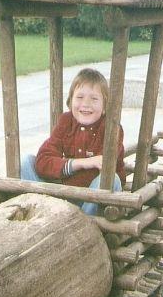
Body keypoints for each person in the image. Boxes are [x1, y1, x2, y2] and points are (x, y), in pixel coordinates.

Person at [21, 68, 126, 215]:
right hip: (65, 193)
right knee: (26, 161)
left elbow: (98, 171)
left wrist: (60, 172)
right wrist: (81, 163)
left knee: (110, 178)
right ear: (70, 101)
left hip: (92, 199)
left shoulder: (112, 128)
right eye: (80, 97)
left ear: (104, 106)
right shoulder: (66, 121)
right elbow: (42, 161)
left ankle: (84, 223)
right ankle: (40, 212)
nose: (86, 104)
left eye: (94, 99)